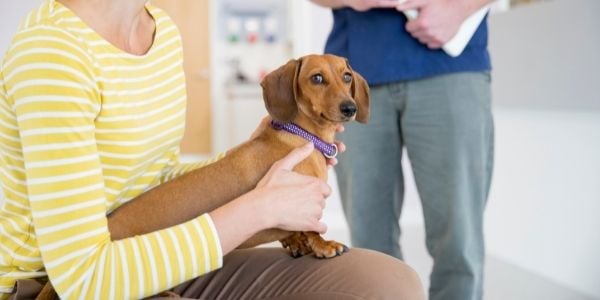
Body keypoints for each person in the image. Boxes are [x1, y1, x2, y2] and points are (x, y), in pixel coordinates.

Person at [0, 0, 427, 299]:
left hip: (156, 249)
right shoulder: (51, 53)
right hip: (58, 284)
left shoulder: (160, 32)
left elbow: (158, 180)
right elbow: (82, 279)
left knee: (388, 286)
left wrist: (257, 156)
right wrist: (256, 212)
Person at [310, 0, 495, 299]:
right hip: (354, 76)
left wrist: (461, 7)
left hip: (450, 66)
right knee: (369, 242)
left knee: (459, 240)